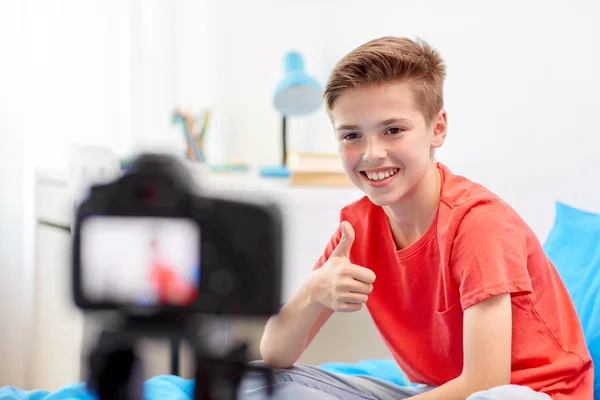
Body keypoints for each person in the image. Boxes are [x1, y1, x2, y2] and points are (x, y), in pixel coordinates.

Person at [239, 37, 594, 399]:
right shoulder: (357, 228)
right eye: (352, 135)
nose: (372, 154)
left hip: (526, 393)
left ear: (437, 129)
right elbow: (274, 353)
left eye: (393, 130)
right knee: (257, 381)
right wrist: (315, 289)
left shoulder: (477, 224)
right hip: (436, 392)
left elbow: (486, 381)